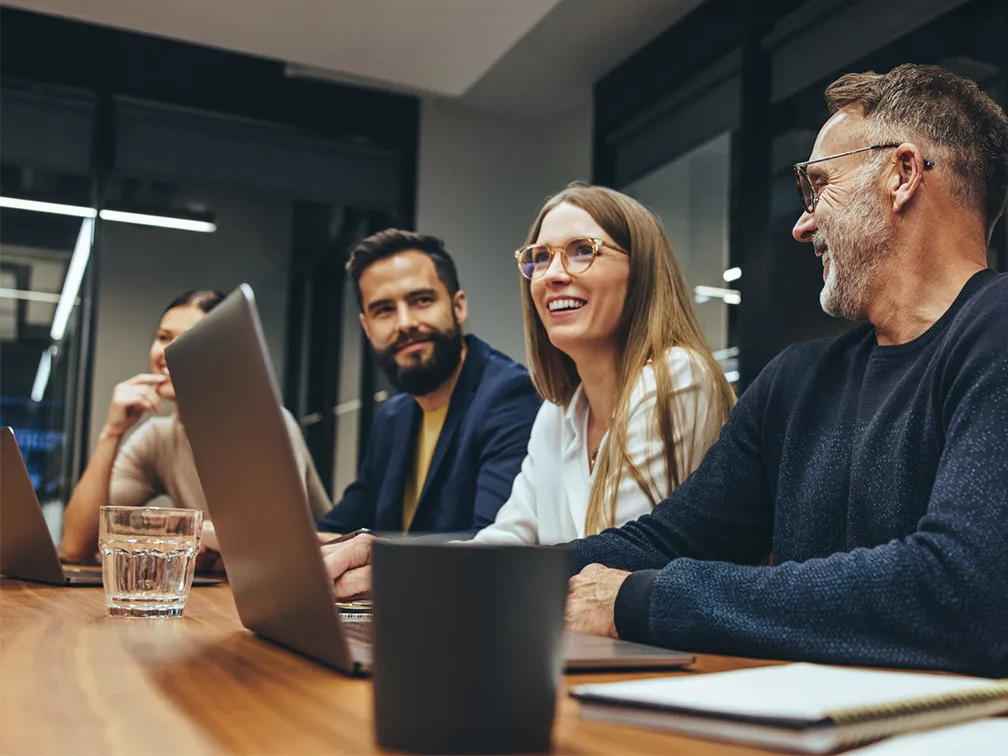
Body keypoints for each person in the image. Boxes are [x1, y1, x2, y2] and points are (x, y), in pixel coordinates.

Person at [561, 64, 1008, 706]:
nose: (802, 225)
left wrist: (642, 599)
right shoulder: (796, 383)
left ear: (902, 175)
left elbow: (954, 597)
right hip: (846, 728)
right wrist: (499, 578)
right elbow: (663, 541)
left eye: (818, 187)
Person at [322, 185, 737, 598]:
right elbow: (507, 537)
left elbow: (616, 563)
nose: (553, 275)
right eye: (540, 258)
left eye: (582, 250)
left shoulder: (678, 376)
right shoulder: (558, 413)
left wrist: (411, 573)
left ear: (641, 270)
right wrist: (396, 563)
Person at [60, 290, 331, 562]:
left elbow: (271, 546)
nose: (167, 352)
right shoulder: (157, 437)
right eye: (163, 337)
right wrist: (111, 433)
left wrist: (179, 532)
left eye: (188, 340)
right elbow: (76, 545)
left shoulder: (268, 424)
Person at [316, 230, 541, 538]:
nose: (405, 323)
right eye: (384, 310)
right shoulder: (392, 417)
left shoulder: (510, 397)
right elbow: (340, 526)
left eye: (421, 300)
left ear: (458, 306)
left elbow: (492, 544)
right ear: (367, 328)